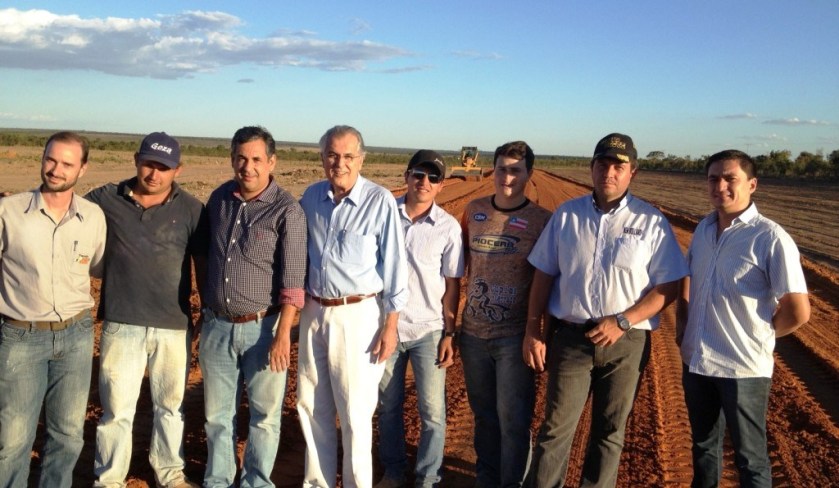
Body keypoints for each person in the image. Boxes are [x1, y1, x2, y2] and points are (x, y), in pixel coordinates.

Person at [523, 133, 689, 488]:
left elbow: (668, 287)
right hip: (571, 337)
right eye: (603, 164)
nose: (609, 172)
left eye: (619, 166)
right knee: (555, 429)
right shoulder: (568, 215)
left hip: (626, 343)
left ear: (633, 172)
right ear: (592, 168)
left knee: (610, 431)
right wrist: (533, 330)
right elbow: (543, 275)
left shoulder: (651, 221)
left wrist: (623, 320)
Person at [677, 149, 810, 488]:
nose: (719, 185)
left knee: (750, 459)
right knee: (704, 449)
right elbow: (688, 281)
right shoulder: (704, 230)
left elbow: (798, 309)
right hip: (697, 362)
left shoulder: (770, 237)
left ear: (752, 185)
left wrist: (762, 335)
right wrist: (683, 329)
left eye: (729, 179)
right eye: (713, 179)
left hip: (743, 369)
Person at [86, 132, 207, 488]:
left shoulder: (191, 209)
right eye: (149, 164)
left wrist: (205, 314)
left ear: (178, 170)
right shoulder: (105, 199)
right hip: (122, 324)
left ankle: (170, 474)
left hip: (173, 324)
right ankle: (109, 479)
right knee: (116, 411)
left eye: (164, 168)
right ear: (136, 159)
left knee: (170, 407)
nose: (154, 174)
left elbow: (201, 266)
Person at [298, 125, 408, 488]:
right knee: (312, 407)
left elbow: (394, 269)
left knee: (355, 414)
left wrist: (390, 326)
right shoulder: (311, 197)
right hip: (314, 310)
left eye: (348, 156)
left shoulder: (380, 201)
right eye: (332, 154)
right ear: (322, 157)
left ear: (361, 159)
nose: (339, 163)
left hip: (359, 316)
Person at [200, 126, 307, 487]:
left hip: (264, 330)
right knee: (217, 415)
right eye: (241, 158)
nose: (248, 167)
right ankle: (218, 480)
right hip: (217, 326)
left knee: (264, 416)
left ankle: (256, 482)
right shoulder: (218, 200)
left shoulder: (287, 210)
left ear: (271, 162)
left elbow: (294, 283)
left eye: (256, 159)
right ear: (232, 159)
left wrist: (282, 337)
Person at [0, 131, 107, 488]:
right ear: (42, 158)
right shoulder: (9, 211)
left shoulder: (92, 216)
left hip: (76, 336)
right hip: (19, 336)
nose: (56, 170)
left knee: (67, 434)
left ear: (83, 168)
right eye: (51, 160)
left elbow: (98, 266)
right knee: (13, 440)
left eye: (66, 164)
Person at [459, 141, 551, 487]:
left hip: (515, 338)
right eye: (502, 169)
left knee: (513, 420)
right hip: (472, 335)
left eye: (515, 170)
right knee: (484, 418)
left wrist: (540, 333)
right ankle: (487, 478)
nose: (507, 177)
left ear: (529, 173)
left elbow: (549, 280)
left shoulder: (542, 220)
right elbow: (457, 266)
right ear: (492, 170)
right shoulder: (474, 209)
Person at [375, 150, 465, 488]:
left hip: (429, 329)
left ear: (442, 185)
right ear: (407, 176)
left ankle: (427, 477)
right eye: (418, 174)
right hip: (388, 329)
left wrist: (450, 333)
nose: (423, 182)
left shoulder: (448, 228)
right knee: (388, 406)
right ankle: (394, 470)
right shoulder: (384, 215)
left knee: (433, 413)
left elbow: (453, 285)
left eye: (433, 177)